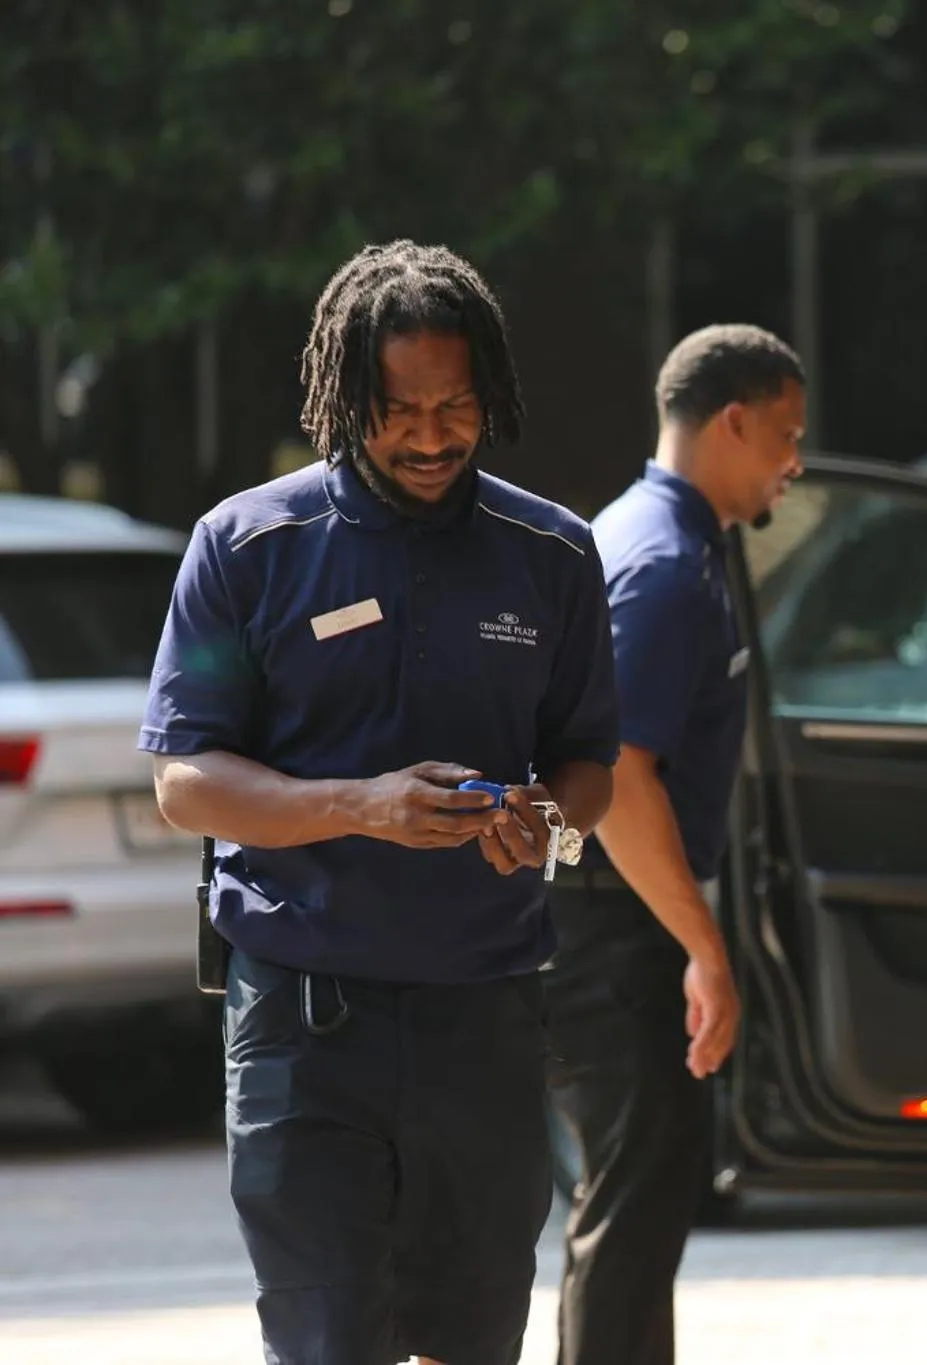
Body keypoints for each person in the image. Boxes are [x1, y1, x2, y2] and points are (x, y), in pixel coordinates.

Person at [140, 239, 619, 1365]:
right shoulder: (248, 546)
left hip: (485, 1014)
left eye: (456, 406)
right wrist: (362, 805)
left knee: (472, 1338)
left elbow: (588, 761)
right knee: (328, 1340)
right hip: (305, 1023)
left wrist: (548, 824)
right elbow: (184, 780)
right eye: (398, 410)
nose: (431, 436)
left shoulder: (552, 553)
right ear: (344, 395)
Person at [545, 324, 806, 1365]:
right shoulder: (659, 563)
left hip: (609, 917)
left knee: (640, 1208)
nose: (793, 461)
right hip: (610, 926)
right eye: (785, 435)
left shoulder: (655, 536)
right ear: (732, 421)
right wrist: (704, 947)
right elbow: (618, 779)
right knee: (632, 1211)